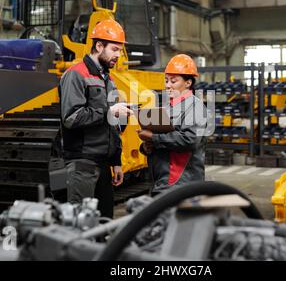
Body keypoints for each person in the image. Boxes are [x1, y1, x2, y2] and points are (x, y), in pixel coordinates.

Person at [59, 18, 133, 218]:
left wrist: (116, 161)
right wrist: (110, 111)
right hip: (83, 163)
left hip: (103, 164)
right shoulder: (75, 75)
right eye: (115, 49)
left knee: (104, 222)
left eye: (120, 50)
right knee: (82, 223)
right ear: (99, 46)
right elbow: (71, 117)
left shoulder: (107, 79)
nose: (118, 55)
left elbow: (112, 127)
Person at [137, 54, 207, 195]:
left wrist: (153, 137)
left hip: (181, 182)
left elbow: (190, 140)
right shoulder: (167, 107)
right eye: (166, 80)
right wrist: (146, 146)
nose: (168, 85)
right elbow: (161, 136)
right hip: (161, 180)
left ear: (188, 83)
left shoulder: (195, 107)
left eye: (173, 81)